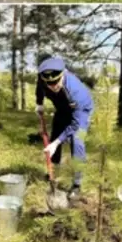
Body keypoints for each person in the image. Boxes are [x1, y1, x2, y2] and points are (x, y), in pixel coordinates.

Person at [35, 56, 94, 198]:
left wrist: (55, 143)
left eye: (56, 82)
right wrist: (40, 103)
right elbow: (39, 87)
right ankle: (52, 170)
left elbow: (75, 125)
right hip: (62, 108)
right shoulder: (45, 80)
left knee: (77, 141)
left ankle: (77, 184)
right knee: (56, 132)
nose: (53, 86)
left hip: (82, 111)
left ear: (63, 75)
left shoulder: (76, 92)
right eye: (50, 84)